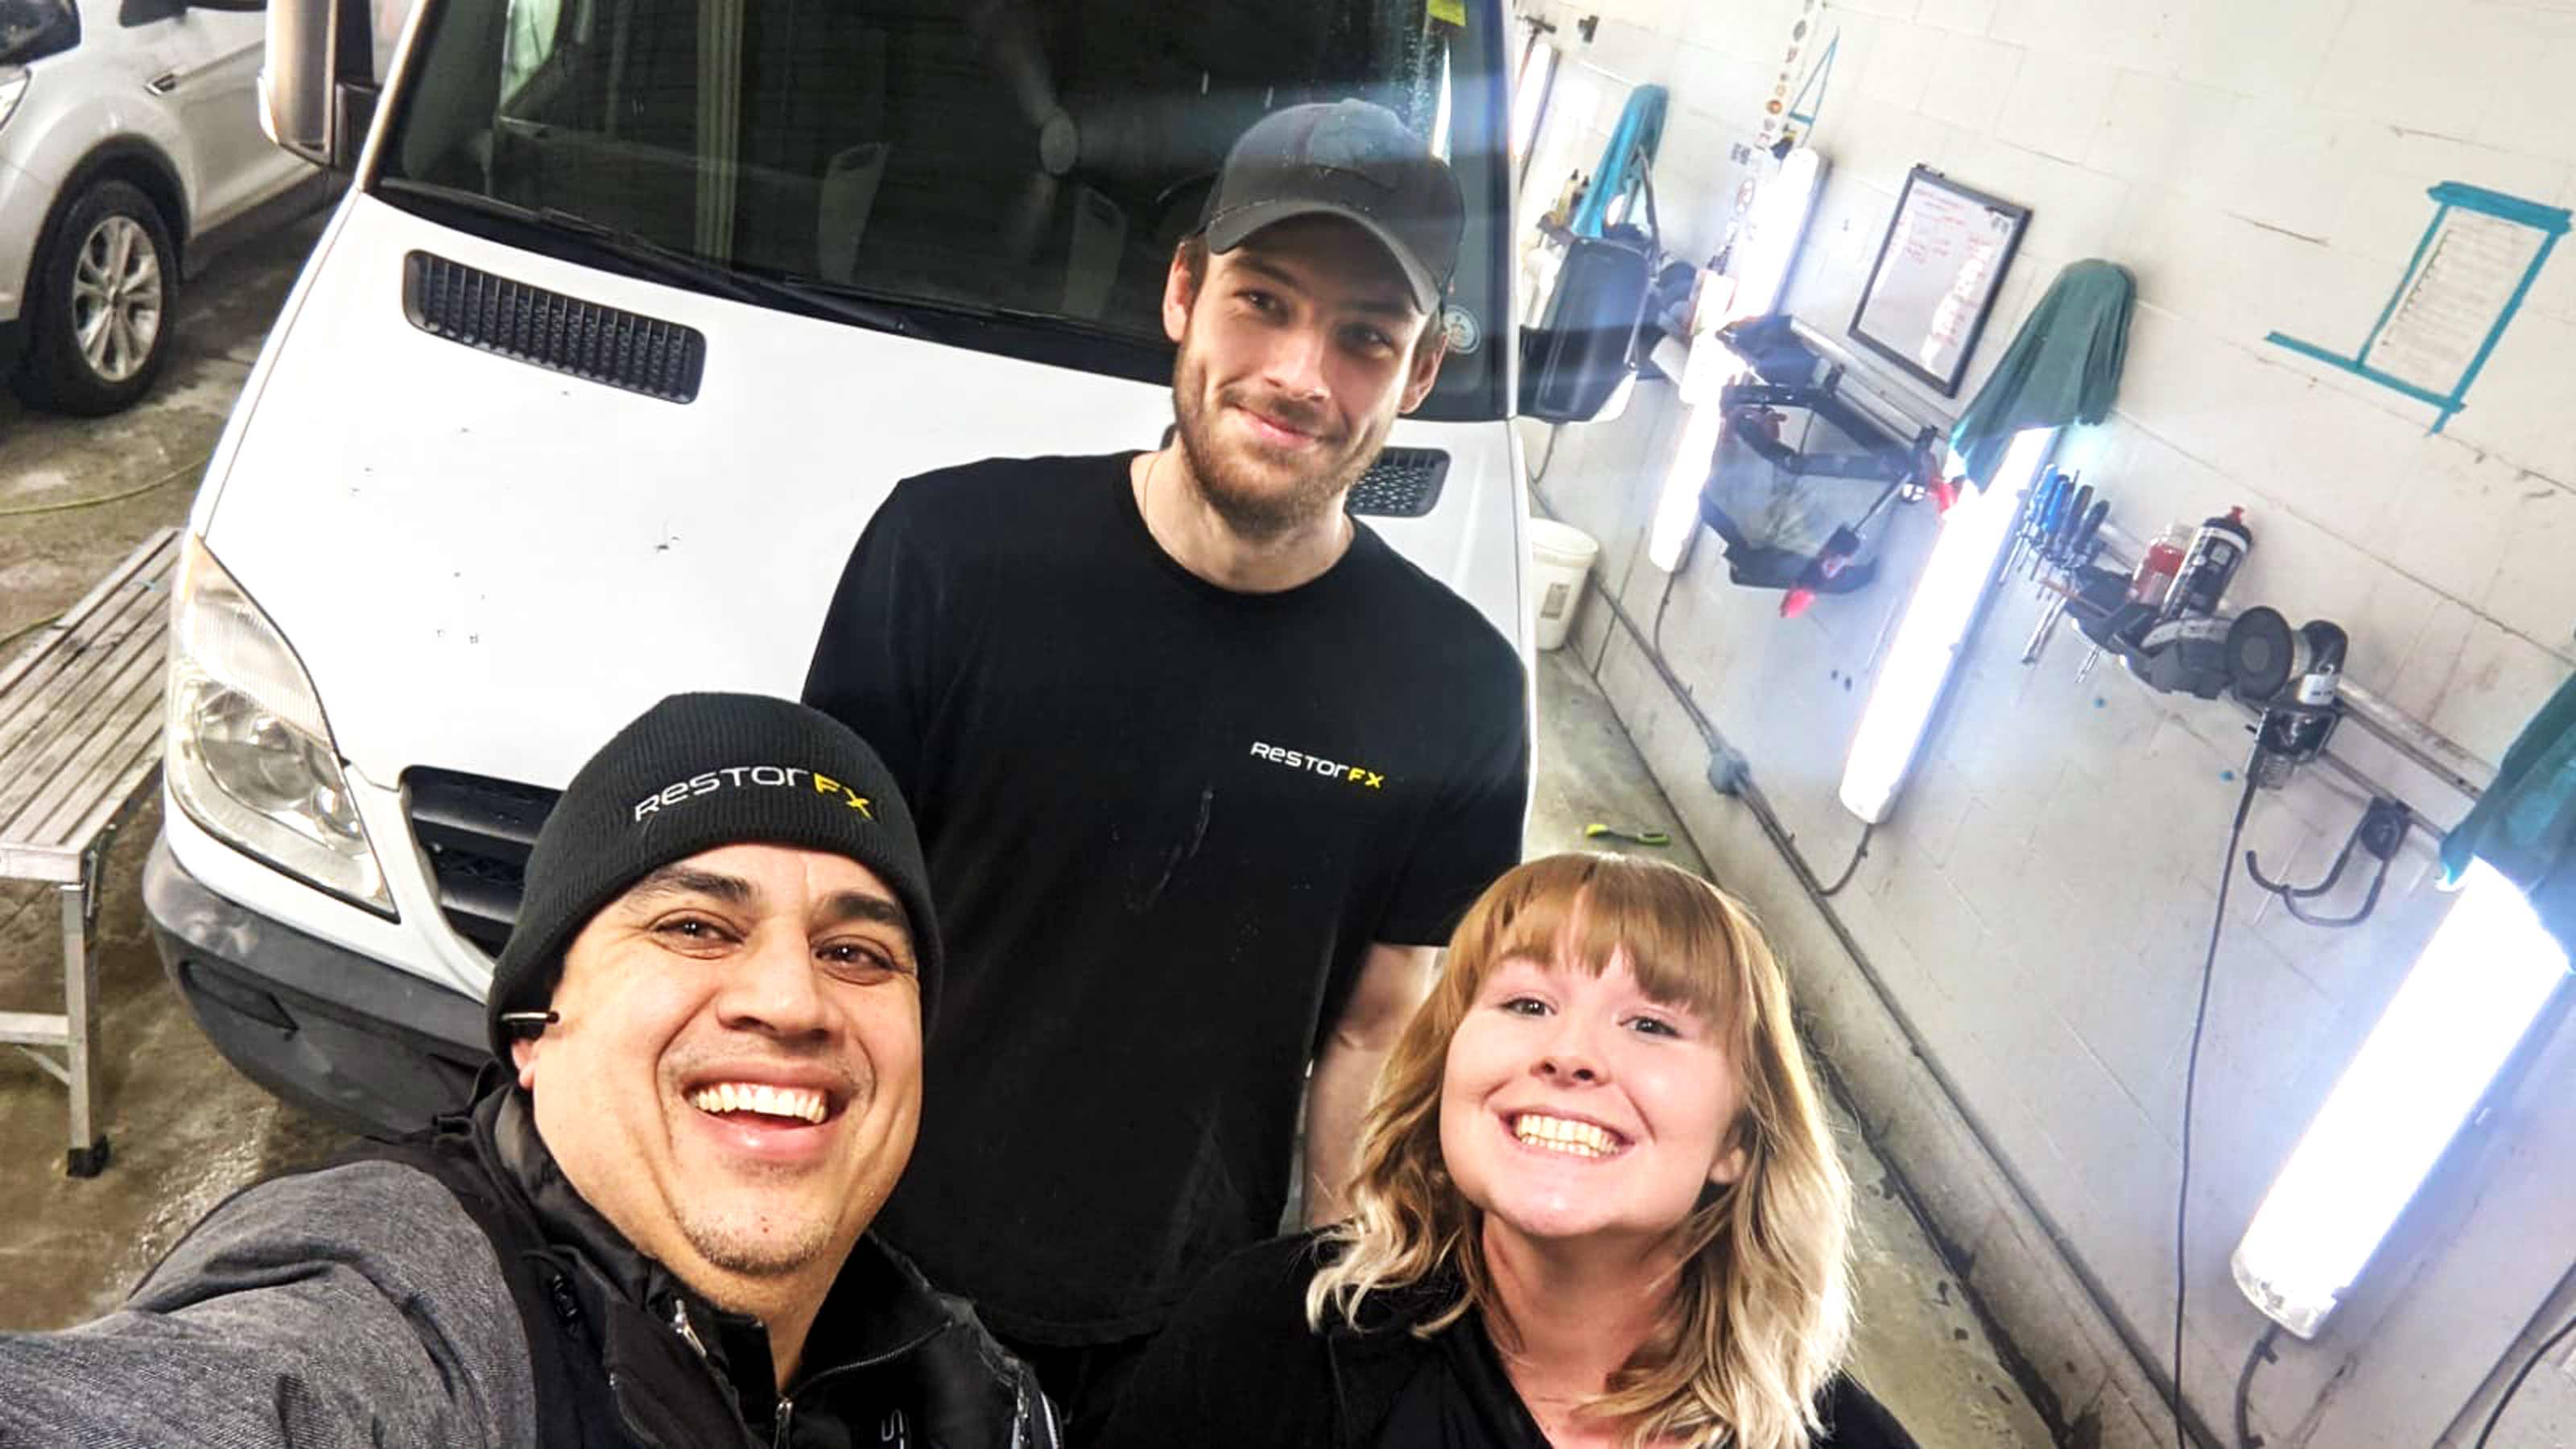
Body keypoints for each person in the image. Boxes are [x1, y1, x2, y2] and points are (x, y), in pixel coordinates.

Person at [802, 98, 1530, 1433]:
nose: (1304, 373)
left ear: (1419, 375)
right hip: (874, 1272)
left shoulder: (1460, 690)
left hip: (1181, 1328)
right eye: (1264, 300)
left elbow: (1377, 1024)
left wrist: (1321, 1318)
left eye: (1366, 335)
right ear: (1184, 293)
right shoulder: (948, 555)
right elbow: (826, 922)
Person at [0, 693, 1057, 1448]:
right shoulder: (408, 1310)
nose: (791, 1000)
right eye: (695, 926)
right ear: (533, 1029)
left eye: (858, 953)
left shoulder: (981, 1397)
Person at [1096, 852, 1920, 1449]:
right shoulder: (1269, 1334)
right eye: (1526, 1003)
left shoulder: (1844, 1441)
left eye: (1650, 1024)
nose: (1569, 1053)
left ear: (1737, 1140)